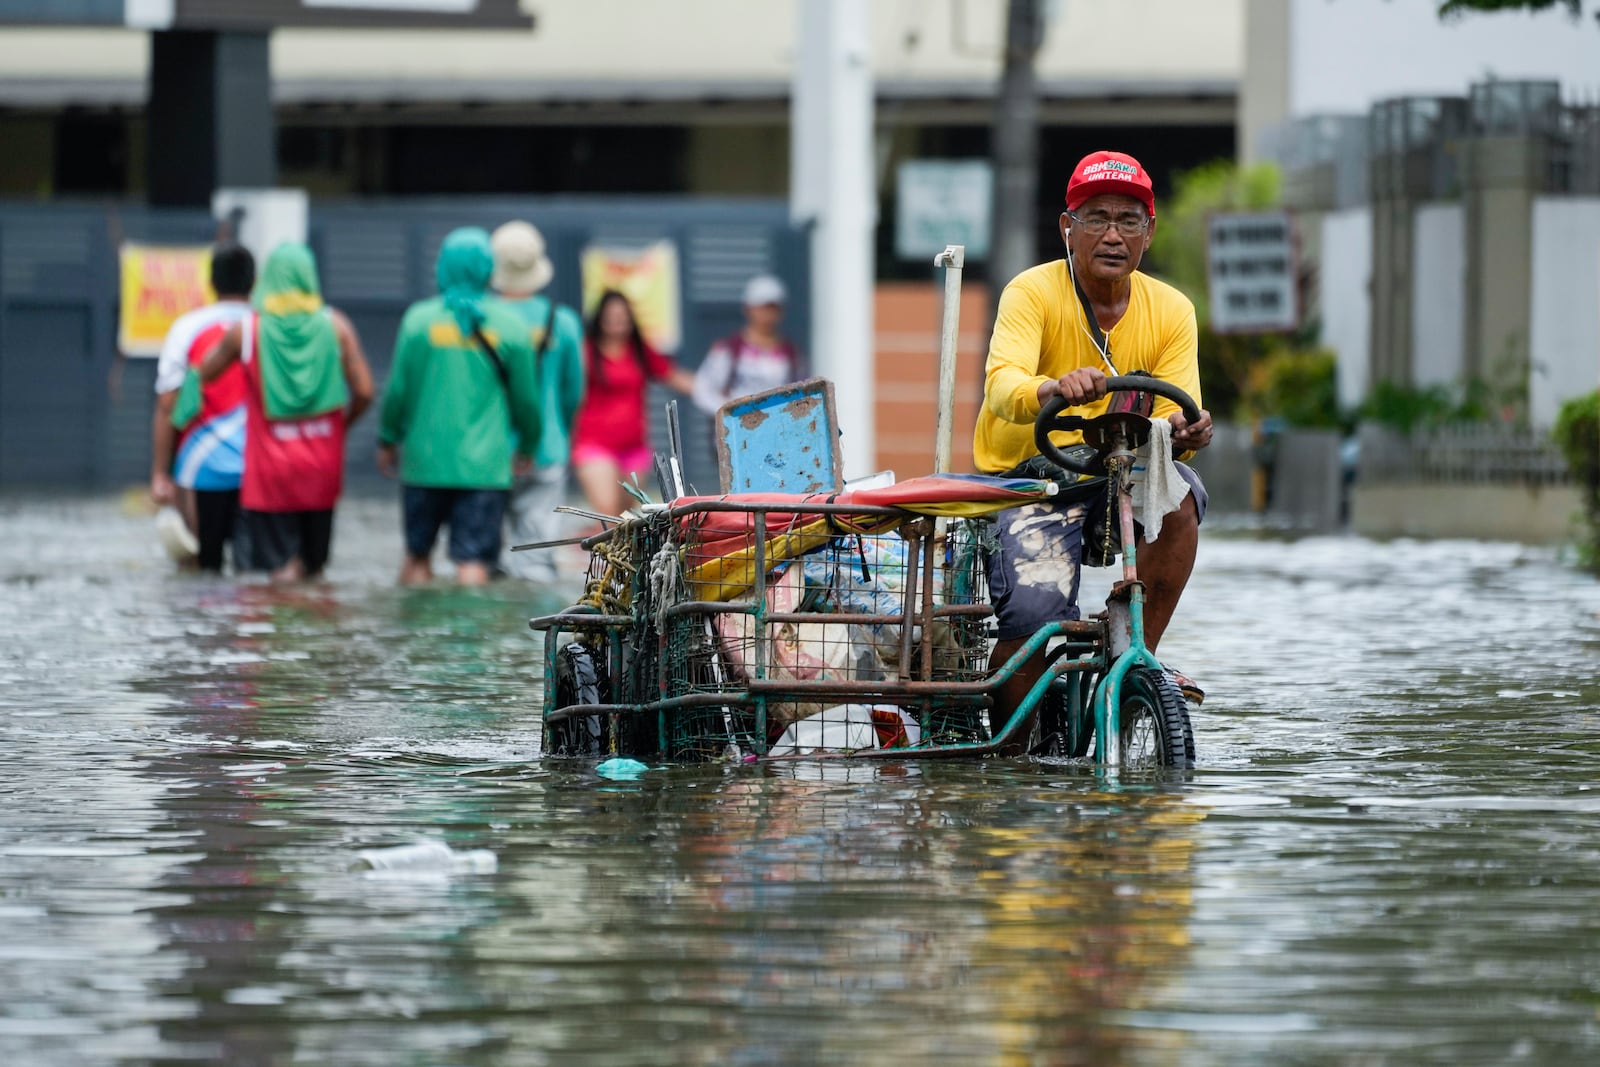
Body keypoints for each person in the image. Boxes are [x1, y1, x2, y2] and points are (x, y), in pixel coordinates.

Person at [975, 149, 1215, 716]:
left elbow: (1181, 415)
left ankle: (1134, 659)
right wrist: (1053, 389)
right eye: (1097, 219)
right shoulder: (1031, 292)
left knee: (1180, 492)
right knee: (1035, 617)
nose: (1113, 235)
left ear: (1148, 233)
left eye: (1128, 221)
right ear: (1068, 228)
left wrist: (1191, 430)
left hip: (1117, 475)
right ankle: (1012, 763)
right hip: (1026, 481)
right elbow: (1001, 387)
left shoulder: (1173, 309)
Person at [201, 242, 374, 583]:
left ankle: (281, 632)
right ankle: (313, 632)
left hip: (271, 471)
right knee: (315, 569)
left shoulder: (248, 330)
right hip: (321, 465)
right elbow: (366, 390)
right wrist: (343, 425)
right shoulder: (336, 326)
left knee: (279, 570)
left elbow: (205, 371)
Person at [378, 227, 542, 586]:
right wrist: (528, 446)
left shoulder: (418, 321)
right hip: (483, 468)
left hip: (424, 463)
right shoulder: (511, 327)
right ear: (487, 269)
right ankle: (470, 637)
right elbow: (527, 401)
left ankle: (415, 637)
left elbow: (397, 393)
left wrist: (388, 440)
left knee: (417, 556)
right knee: (472, 562)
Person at [149, 243, 256, 572]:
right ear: (254, 282)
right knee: (254, 583)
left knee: (198, 572)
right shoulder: (264, 325)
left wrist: (159, 474)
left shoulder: (187, 327)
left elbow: (168, 405)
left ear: (211, 283)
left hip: (199, 470)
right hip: (258, 471)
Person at [489, 220, 585, 582]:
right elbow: (572, 391)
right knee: (537, 557)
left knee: (482, 562)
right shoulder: (562, 321)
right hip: (547, 446)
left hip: (487, 452)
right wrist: (558, 429)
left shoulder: (482, 318)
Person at [570, 289, 695, 520]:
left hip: (634, 449)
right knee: (608, 513)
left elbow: (675, 377)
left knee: (628, 519)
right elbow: (565, 386)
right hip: (595, 445)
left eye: (623, 315)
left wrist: (717, 395)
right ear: (600, 319)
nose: (617, 320)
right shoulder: (585, 351)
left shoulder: (638, 351)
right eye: (611, 315)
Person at [690, 273, 804, 416]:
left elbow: (803, 395)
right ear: (748, 309)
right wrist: (732, 412)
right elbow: (703, 390)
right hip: (735, 432)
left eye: (773, 308)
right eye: (762, 308)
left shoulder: (792, 355)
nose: (767, 315)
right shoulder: (728, 350)